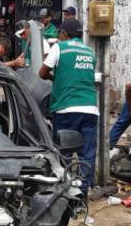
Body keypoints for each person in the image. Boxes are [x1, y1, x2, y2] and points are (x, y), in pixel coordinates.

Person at [39, 18, 97, 198]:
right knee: (87, 154)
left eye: (59, 33)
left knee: (63, 152)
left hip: (66, 107)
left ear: (64, 34)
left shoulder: (59, 47)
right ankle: (83, 192)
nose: (58, 36)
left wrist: (56, 78)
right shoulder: (90, 51)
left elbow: (42, 72)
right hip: (90, 108)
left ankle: (66, 191)